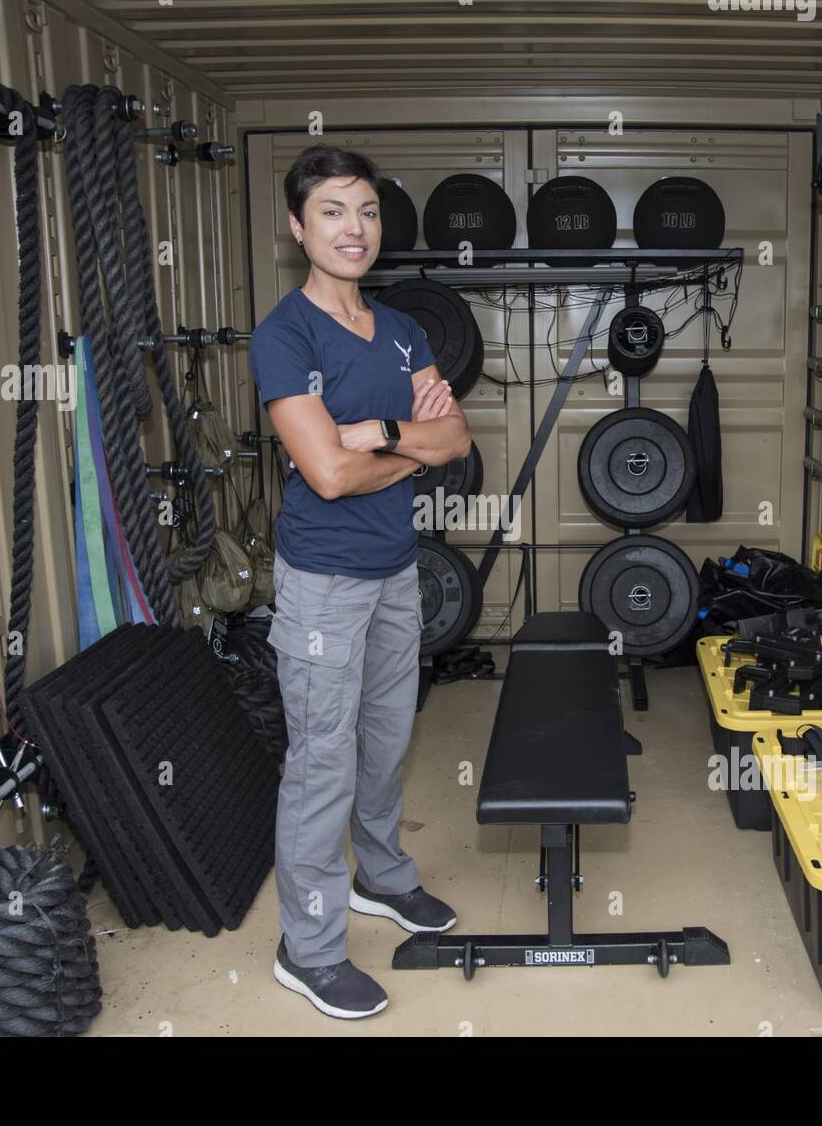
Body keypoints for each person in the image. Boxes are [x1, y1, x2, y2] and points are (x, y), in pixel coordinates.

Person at [248, 146, 472, 1019]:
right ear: (299, 227)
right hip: (323, 584)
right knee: (321, 764)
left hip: (394, 572)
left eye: (369, 211)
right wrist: (395, 449)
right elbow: (327, 479)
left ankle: (379, 876)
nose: (355, 228)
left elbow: (454, 441)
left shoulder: (404, 327)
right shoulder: (285, 335)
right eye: (335, 211)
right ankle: (306, 947)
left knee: (386, 739)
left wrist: (371, 430)